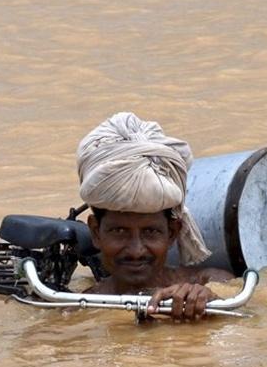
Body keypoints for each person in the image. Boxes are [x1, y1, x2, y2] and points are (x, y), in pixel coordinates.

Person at [77, 112, 233, 321]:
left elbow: (244, 308)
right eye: (119, 231)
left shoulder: (206, 282)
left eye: (150, 232)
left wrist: (210, 303)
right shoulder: (80, 306)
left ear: (172, 233)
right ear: (96, 232)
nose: (136, 251)